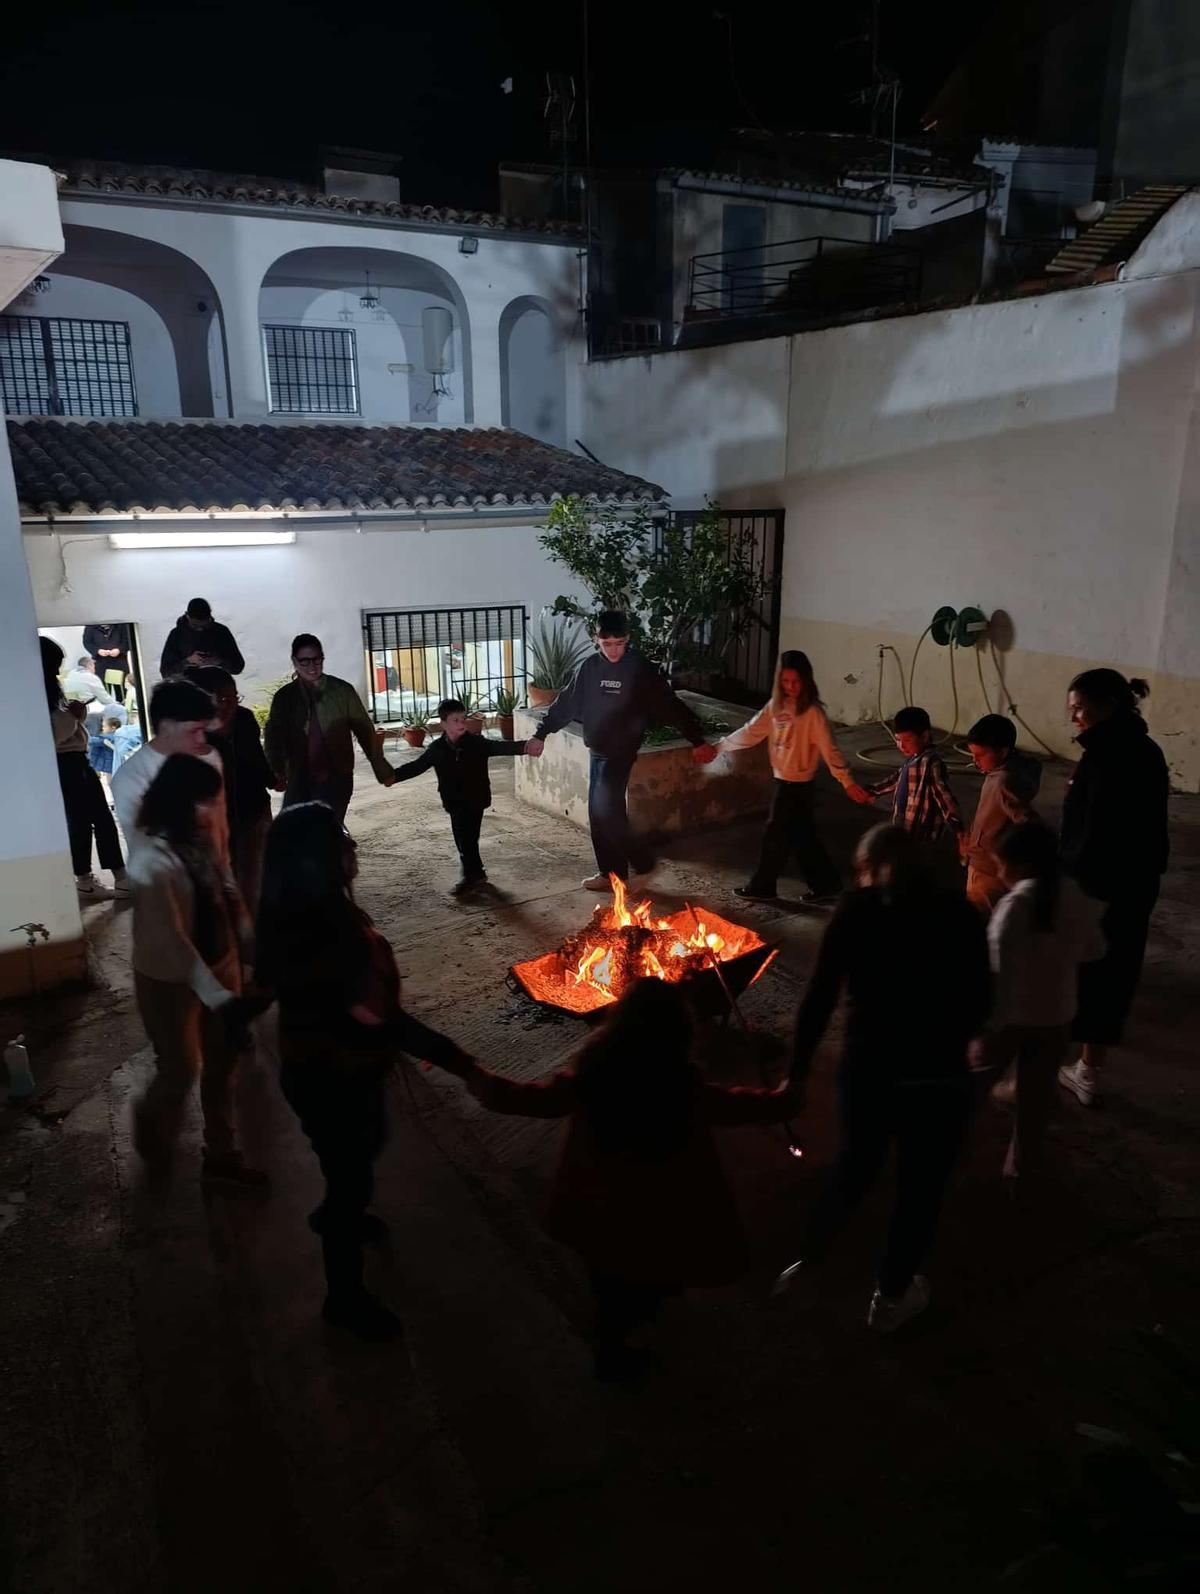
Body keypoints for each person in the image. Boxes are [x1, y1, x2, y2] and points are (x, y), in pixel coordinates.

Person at [463, 979, 800, 1379]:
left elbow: (535, 1100)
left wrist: (482, 1081)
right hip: (654, 1213)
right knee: (643, 1272)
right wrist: (783, 1096)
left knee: (610, 1287)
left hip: (598, 1209)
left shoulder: (592, 1075)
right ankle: (617, 1352)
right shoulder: (681, 1086)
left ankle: (619, 1336)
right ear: (680, 1032)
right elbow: (738, 1106)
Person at [255, 802, 473, 1340]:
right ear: (318, 858)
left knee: (357, 1152)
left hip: (315, 1071)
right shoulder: (331, 934)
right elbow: (386, 1023)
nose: (353, 846)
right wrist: (462, 1063)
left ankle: (338, 1207)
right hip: (336, 1079)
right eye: (341, 838)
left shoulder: (292, 913)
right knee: (352, 1173)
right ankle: (344, 1296)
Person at [776, 825, 990, 1333]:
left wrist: (797, 1074)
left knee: (855, 1169)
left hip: (868, 1067)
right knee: (920, 1189)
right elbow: (981, 1001)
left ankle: (807, 1264)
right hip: (937, 1076)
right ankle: (891, 1298)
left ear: (868, 867)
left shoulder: (857, 909)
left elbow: (820, 996)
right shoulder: (960, 916)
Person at [128, 755, 268, 1185]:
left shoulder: (199, 836)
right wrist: (222, 999)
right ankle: (151, 1129)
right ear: (177, 802)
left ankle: (221, 1154)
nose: (215, 810)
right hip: (168, 980)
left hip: (220, 963)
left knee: (223, 1064)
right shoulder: (150, 861)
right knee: (180, 1068)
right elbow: (173, 943)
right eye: (206, 801)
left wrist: (247, 945)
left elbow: (224, 886)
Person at [525, 610, 717, 889]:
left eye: (619, 644)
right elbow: (567, 703)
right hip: (597, 750)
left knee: (607, 810)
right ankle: (611, 875)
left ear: (627, 639)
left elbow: (668, 705)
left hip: (621, 751)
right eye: (607, 644)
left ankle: (643, 863)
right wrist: (541, 733)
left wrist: (696, 738)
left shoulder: (638, 668)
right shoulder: (589, 668)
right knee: (597, 813)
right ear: (596, 641)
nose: (614, 650)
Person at [1058, 669, 1169, 1107]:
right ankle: (1087, 1066)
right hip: (1134, 881)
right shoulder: (1143, 748)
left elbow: (1093, 834)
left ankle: (1076, 1068)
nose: (1075, 719)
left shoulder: (1108, 756)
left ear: (1108, 706)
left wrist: (1064, 881)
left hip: (1101, 884)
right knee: (1110, 973)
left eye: (1079, 709)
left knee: (1088, 973)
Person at [980, 823, 1105, 1181]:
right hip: (1056, 1018)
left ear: (1019, 866)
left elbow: (996, 974)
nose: (999, 872)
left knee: (970, 1086)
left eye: (1000, 865)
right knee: (1033, 1108)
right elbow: (1095, 949)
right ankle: (1019, 1175)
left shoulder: (1015, 905)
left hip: (1010, 1020)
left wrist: (985, 1028)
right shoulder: (1074, 895)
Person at [710, 650, 871, 904]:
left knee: (778, 835)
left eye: (796, 681)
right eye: (785, 682)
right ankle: (825, 884)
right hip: (782, 780)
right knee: (800, 835)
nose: (791, 687)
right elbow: (751, 732)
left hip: (799, 784)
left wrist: (847, 781)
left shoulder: (813, 714)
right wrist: (720, 746)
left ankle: (765, 886)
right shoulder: (775, 707)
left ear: (806, 680)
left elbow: (830, 750)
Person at [390, 697, 529, 894]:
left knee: (467, 838)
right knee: (464, 838)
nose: (461, 724)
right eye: (456, 720)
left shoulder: (476, 743)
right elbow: (417, 767)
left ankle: (470, 877)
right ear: (443, 723)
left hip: (475, 799)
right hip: (454, 801)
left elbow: (500, 747)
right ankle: (477, 874)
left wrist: (526, 747)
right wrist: (394, 776)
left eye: (463, 719)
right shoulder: (437, 750)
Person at [264, 634, 395, 823]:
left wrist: (382, 769)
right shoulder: (285, 697)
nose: (312, 666)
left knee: (328, 827)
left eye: (317, 660)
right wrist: (276, 770)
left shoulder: (342, 692)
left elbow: (364, 731)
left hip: (336, 775)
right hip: (298, 774)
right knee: (294, 827)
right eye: (305, 661)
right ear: (294, 661)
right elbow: (274, 736)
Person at [40, 637, 130, 900]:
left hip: (75, 761)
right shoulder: (36, 693)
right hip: (66, 763)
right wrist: (73, 715)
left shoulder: (49, 689)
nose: (58, 671)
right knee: (89, 820)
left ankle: (101, 878)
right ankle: (96, 878)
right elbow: (52, 736)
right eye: (55, 665)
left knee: (93, 819)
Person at [185, 665, 275, 915]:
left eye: (234, 697)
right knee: (220, 884)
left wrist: (270, 778)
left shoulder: (244, 720)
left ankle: (254, 932)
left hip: (253, 809)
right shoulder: (192, 732)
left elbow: (256, 755)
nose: (230, 704)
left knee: (255, 878)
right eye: (222, 698)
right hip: (214, 822)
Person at [112, 678, 226, 863]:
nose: (202, 739)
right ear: (165, 728)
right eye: (194, 731)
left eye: (203, 730)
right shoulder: (130, 777)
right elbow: (142, 847)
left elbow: (219, 824)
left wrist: (224, 873)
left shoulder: (209, 758)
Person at [866, 706, 964, 884]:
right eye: (897, 740)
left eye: (907, 740)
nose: (901, 745)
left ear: (925, 736)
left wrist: (958, 827)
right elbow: (897, 780)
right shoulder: (913, 759)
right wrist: (872, 791)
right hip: (904, 830)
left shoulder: (931, 763)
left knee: (915, 875)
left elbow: (943, 795)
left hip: (920, 836)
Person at [962, 714, 1041, 916]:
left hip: (987, 870)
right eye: (973, 755)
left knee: (982, 921)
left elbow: (1027, 820)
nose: (975, 761)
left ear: (1003, 751)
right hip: (992, 863)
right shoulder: (1014, 771)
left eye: (980, 755)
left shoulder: (1002, 781)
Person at [160, 597, 245, 678]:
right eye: (195, 626)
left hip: (215, 687)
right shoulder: (176, 635)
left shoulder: (221, 632)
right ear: (187, 616)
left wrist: (219, 661)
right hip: (187, 689)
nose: (200, 629)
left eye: (205, 625)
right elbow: (166, 673)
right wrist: (187, 661)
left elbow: (238, 667)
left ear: (210, 616)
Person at [83, 622, 131, 701]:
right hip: (101, 662)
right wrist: (97, 651)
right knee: (103, 690)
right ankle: (106, 709)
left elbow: (128, 640)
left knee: (121, 690)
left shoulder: (121, 625)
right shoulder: (90, 626)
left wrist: (119, 650)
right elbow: (87, 643)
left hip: (119, 661)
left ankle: (122, 708)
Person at [62, 653, 119, 719]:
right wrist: (116, 703)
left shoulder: (70, 674)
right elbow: (103, 698)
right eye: (94, 666)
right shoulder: (91, 677)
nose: (94, 669)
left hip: (74, 709)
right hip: (90, 708)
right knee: (120, 710)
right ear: (90, 665)